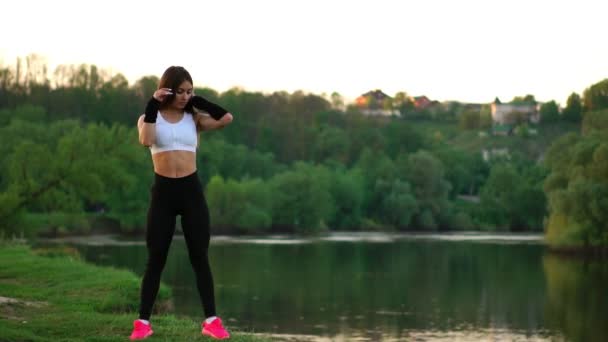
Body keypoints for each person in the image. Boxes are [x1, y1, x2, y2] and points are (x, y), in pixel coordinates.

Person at [129, 66, 234, 340]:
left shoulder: (195, 119)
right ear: (167, 90)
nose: (185, 96)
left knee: (199, 256)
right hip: (163, 194)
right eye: (181, 92)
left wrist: (198, 101)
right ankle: (142, 323)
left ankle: (211, 321)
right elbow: (146, 139)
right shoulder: (147, 118)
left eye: (190, 91)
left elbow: (226, 119)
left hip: (191, 193)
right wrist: (153, 103)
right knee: (156, 259)